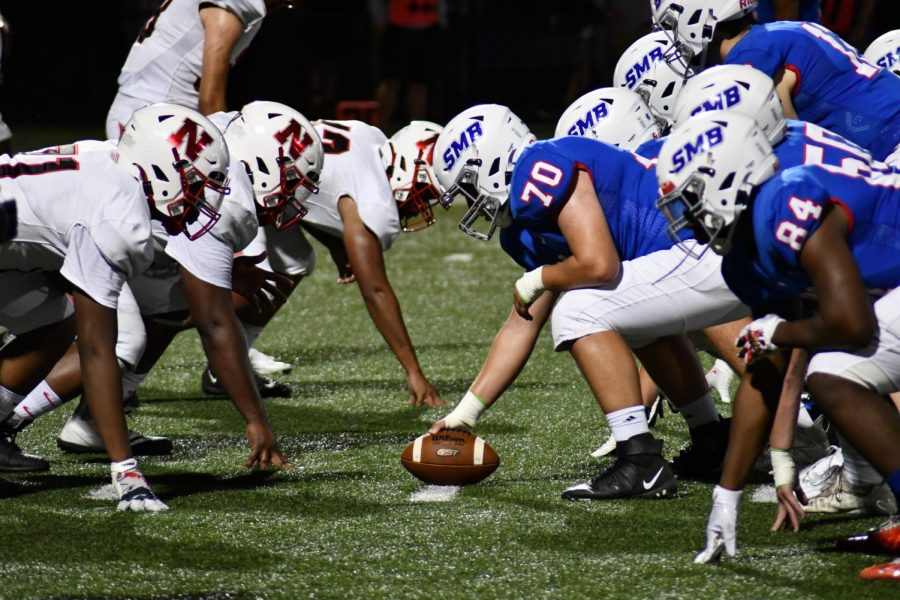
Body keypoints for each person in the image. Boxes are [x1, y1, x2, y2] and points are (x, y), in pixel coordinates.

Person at [431, 104, 771, 500]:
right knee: (630, 314)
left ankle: (642, 459)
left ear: (488, 162)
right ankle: (711, 440)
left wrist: (540, 277)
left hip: (699, 245)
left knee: (579, 310)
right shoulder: (519, 231)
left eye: (468, 187)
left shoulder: (539, 165)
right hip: (676, 260)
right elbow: (523, 322)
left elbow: (599, 264)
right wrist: (464, 416)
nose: (472, 204)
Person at [655, 111, 900, 580]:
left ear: (728, 175)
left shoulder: (787, 199)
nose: (687, 216)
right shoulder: (744, 260)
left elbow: (850, 326)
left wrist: (778, 332)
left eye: (691, 197)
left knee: (834, 373)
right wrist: (727, 495)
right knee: (833, 369)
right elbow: (766, 370)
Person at [1, 102, 309, 472]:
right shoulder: (228, 201)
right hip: (51, 232)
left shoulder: (218, 141)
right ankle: (14, 418)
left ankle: (86, 423)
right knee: (121, 338)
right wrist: (256, 420)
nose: (293, 198)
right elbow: (214, 320)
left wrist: (229, 263)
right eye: (291, 181)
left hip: (37, 227)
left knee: (163, 305)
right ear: (263, 165)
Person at [0, 103, 233, 511]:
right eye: (195, 182)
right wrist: (126, 471)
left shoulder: (112, 162)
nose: (201, 198)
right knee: (89, 336)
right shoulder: (120, 216)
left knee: (54, 320)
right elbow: (95, 351)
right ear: (161, 168)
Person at [202, 119, 446, 407]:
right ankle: (155, 329)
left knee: (292, 264)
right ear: (407, 165)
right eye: (426, 191)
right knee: (228, 292)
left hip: (247, 155)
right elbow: (375, 291)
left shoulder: (372, 137)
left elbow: (313, 193)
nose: (422, 204)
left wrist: (335, 243)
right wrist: (413, 371)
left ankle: (224, 367)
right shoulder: (375, 201)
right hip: (234, 170)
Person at [652, 0, 900, 163]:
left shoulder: (750, 55)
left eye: (670, 23)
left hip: (891, 139)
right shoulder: (778, 33)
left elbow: (791, 144)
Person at [105, 0, 291, 139]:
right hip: (156, 121)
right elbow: (210, 103)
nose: (287, 6)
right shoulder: (235, 5)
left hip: (150, 112)